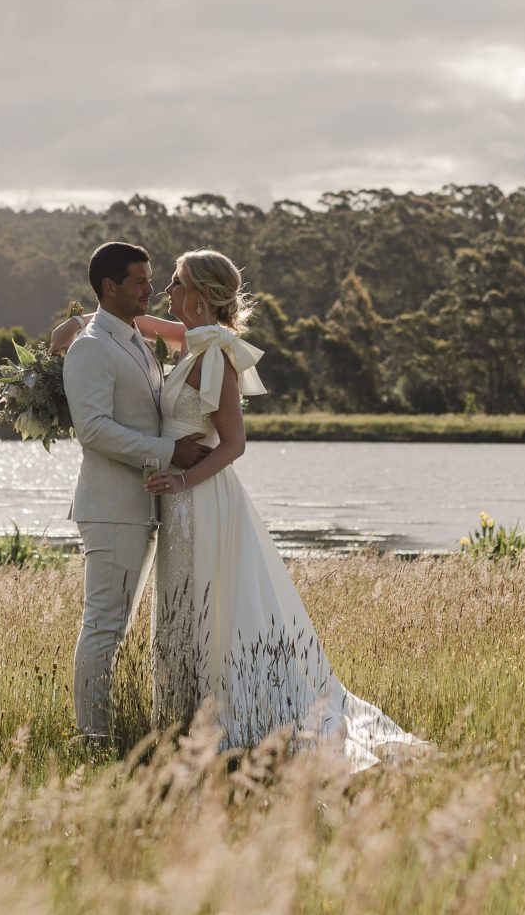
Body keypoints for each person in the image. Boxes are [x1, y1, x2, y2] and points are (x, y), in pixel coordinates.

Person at [133, 250, 423, 771]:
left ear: (198, 294)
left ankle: (231, 724)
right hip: (178, 505)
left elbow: (233, 444)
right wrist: (79, 330)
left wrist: (181, 478)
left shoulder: (216, 354)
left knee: (211, 604)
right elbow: (141, 321)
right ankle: (181, 719)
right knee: (182, 603)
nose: (166, 293)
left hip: (201, 499)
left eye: (174, 284)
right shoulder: (194, 340)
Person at [59, 243, 207, 747]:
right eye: (141, 281)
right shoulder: (93, 346)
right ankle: (93, 736)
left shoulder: (129, 337)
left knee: (116, 627)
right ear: (110, 288)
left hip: (142, 504)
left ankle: (107, 729)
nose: (152, 288)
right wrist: (169, 452)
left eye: (150, 279)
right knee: (104, 625)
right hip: (112, 508)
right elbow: (94, 430)